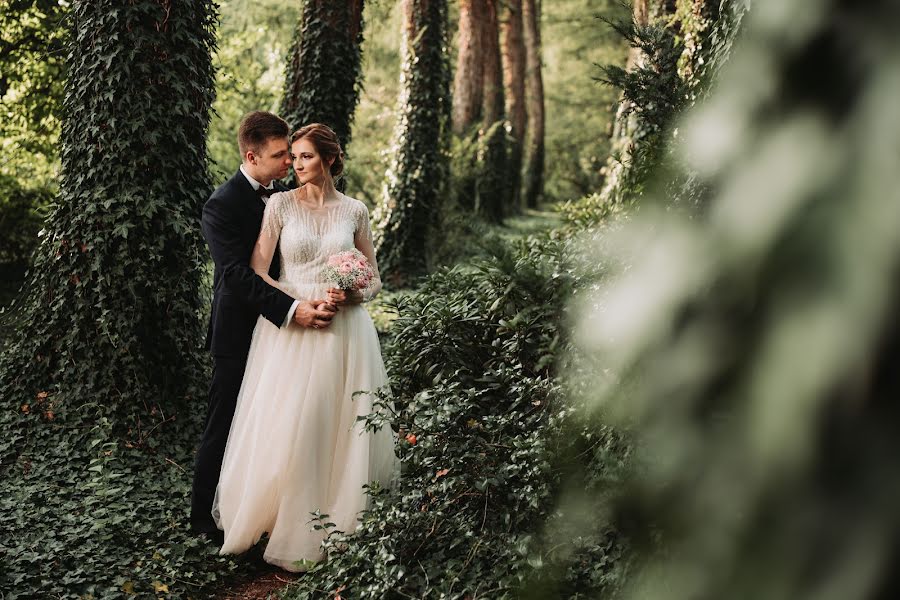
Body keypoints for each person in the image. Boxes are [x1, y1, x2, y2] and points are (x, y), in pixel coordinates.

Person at [212, 123, 398, 571]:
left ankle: (339, 521)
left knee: (338, 423)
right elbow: (257, 272)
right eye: (291, 157)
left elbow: (372, 275)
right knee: (292, 422)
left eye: (305, 157)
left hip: (344, 330)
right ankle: (281, 521)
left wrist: (349, 293)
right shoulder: (278, 205)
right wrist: (298, 304)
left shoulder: (355, 210)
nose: (295, 165)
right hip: (291, 331)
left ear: (330, 159)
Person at [190, 112, 338, 543]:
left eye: (289, 153)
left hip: (282, 337)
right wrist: (294, 308)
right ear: (251, 156)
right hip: (240, 330)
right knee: (226, 421)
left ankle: (263, 511)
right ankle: (203, 517)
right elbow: (236, 275)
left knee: (271, 422)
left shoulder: (288, 198)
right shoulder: (221, 205)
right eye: (278, 156)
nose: (287, 163)